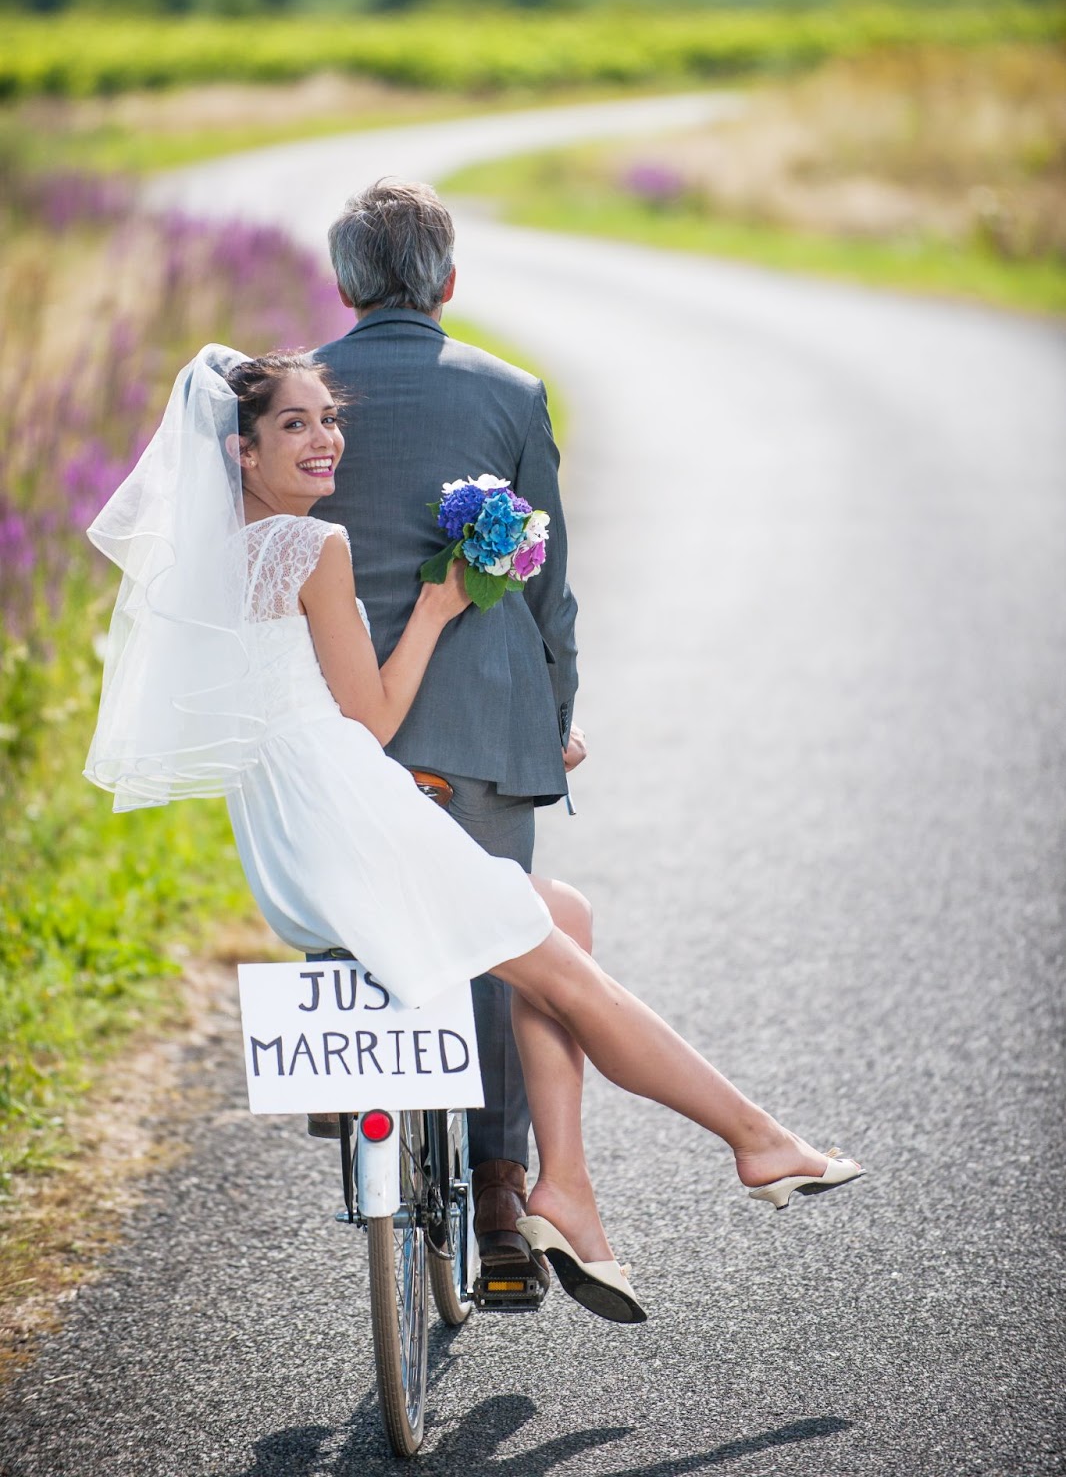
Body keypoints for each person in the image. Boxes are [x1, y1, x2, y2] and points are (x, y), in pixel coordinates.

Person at [84, 345, 863, 1327]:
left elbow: (282, 718)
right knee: (566, 971)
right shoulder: (309, 548)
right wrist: (437, 611)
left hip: (293, 844)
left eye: (329, 418)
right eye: (294, 424)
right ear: (239, 451)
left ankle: (566, 1186)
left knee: (561, 918)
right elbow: (364, 717)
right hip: (353, 816)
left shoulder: (206, 566)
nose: (325, 438)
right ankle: (754, 1141)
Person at [310, 179, 580, 1300]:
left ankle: (340, 1063)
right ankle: (505, 1192)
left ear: (342, 286)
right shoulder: (509, 392)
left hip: (325, 715)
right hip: (477, 723)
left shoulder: (287, 396)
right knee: (497, 941)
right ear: (449, 283)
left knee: (335, 888)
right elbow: (548, 587)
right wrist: (553, 720)